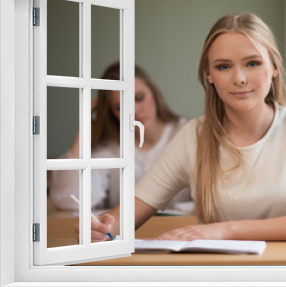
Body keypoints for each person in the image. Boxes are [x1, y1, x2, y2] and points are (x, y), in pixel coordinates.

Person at [76, 13, 286, 242]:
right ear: (209, 75)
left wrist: (226, 230)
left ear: (274, 67)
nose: (239, 78)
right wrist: (99, 230)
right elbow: (120, 221)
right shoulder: (193, 137)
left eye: (252, 63)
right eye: (224, 66)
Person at [50, 62, 192, 211]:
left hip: (185, 231)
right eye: (121, 107)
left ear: (154, 92)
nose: (134, 111)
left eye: (139, 97)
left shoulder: (188, 133)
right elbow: (68, 200)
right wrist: (82, 133)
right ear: (112, 113)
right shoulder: (110, 151)